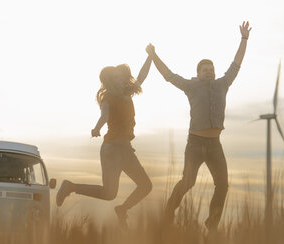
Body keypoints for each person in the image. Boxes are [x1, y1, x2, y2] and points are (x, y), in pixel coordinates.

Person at [146, 21, 251, 230]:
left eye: (212, 69)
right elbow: (168, 75)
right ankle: (167, 216)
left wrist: (244, 39)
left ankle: (212, 223)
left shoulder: (223, 83)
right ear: (198, 72)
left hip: (215, 145)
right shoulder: (191, 86)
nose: (210, 72)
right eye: (205, 70)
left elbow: (236, 63)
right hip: (195, 144)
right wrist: (153, 55)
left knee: (222, 185)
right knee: (188, 182)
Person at [56, 56, 153, 228]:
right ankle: (70, 187)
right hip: (112, 149)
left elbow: (142, 76)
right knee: (109, 193)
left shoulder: (128, 92)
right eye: (115, 76)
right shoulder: (108, 97)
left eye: (122, 75)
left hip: (126, 149)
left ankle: (122, 209)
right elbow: (104, 116)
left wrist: (150, 56)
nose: (120, 78)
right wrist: (97, 128)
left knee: (146, 185)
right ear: (110, 80)